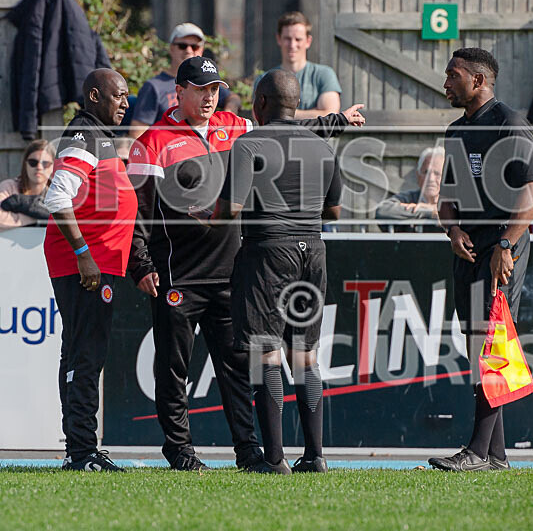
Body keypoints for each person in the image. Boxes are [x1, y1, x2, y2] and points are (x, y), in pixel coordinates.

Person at [127, 56, 364, 472]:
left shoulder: (237, 128)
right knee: (173, 369)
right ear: (178, 92)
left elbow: (286, 131)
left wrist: (336, 120)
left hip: (232, 271)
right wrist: (141, 262)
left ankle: (251, 452)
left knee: (239, 368)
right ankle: (181, 451)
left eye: (214, 89)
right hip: (178, 273)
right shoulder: (152, 141)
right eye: (200, 90)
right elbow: (137, 210)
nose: (209, 98)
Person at [207, 69, 342, 474]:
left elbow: (230, 208)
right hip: (313, 252)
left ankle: (275, 458)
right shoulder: (322, 147)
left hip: (267, 252)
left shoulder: (250, 143)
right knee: (305, 355)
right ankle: (315, 456)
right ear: (297, 104)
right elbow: (334, 211)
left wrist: (204, 215)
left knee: (265, 354)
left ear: (260, 103)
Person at [429, 48, 533, 472]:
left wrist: (506, 246)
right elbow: (447, 199)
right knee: (477, 344)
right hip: (469, 247)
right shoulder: (456, 132)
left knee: (492, 343)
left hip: (501, 247)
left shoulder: (510, 123)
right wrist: (453, 230)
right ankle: (496, 455)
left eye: (453, 75)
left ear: (478, 80)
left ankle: (477, 451)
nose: (446, 82)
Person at [43, 69, 137, 472]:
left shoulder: (99, 134)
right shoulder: (84, 134)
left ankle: (79, 449)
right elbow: (57, 196)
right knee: (85, 356)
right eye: (118, 96)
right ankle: (82, 452)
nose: (126, 103)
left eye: (127, 96)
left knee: (81, 353)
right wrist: (83, 252)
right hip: (86, 265)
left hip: (97, 262)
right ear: (95, 96)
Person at [128, 23, 235, 137]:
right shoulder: (154, 86)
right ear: (171, 48)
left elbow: (233, 98)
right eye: (182, 46)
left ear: (202, 49)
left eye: (195, 47)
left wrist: (226, 117)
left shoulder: (207, 83)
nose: (189, 50)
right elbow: (137, 133)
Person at [259, 11, 342, 119]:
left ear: (308, 41)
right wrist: (315, 114)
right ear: (278, 39)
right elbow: (260, 116)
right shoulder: (265, 79)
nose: (292, 45)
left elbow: (330, 116)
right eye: (287, 39)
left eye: (298, 39)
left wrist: (281, 114)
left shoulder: (324, 75)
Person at [375, 147, 444, 231]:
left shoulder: (455, 201)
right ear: (418, 175)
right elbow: (382, 210)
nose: (430, 179)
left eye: (437, 173)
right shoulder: (408, 198)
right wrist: (429, 211)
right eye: (425, 172)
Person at [0, 139, 55, 230]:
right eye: (33, 162)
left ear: (53, 166)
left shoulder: (59, 194)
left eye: (45, 163)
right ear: (25, 164)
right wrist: (40, 216)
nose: (39, 167)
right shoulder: (9, 187)